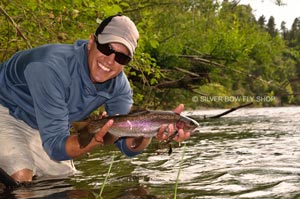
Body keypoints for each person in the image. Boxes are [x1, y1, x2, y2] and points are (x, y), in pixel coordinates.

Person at [0, 14, 190, 185]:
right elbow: (56, 147)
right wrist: (91, 141)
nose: (110, 60)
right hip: (6, 110)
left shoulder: (120, 87)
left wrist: (150, 131)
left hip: (46, 124)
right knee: (20, 180)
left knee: (65, 184)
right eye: (106, 48)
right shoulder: (50, 67)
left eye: (122, 57)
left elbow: (127, 147)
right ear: (91, 41)